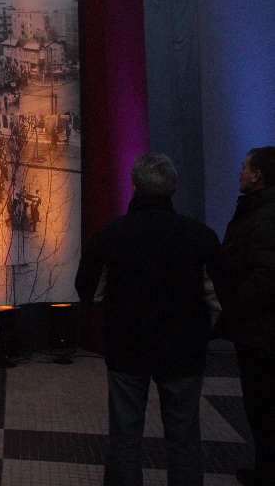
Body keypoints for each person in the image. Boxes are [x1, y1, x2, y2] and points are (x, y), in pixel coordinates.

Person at [75, 153, 221, 486]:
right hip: (184, 349)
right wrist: (203, 331)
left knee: (124, 435)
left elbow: (89, 291)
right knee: (184, 435)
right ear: (173, 189)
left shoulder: (110, 235)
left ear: (135, 188)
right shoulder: (200, 236)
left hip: (127, 346)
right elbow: (218, 296)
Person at [213, 146, 275, 486]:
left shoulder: (264, 216)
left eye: (245, 167)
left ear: (258, 175)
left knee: (263, 404)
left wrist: (231, 304)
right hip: (256, 329)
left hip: (261, 331)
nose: (240, 172)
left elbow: (265, 277)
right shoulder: (257, 211)